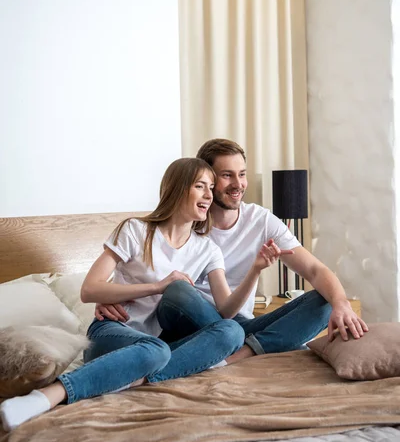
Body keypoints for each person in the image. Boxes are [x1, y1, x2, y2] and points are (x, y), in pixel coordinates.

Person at [1, 157, 277, 432]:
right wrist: (158, 286)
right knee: (155, 349)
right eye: (201, 186)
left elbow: (227, 311)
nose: (209, 195)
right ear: (179, 188)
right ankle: (47, 397)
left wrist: (255, 270)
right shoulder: (136, 230)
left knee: (231, 332)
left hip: (157, 344)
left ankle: (136, 378)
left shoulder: (207, 249)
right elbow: (89, 289)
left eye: (211, 187)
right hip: (113, 331)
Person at [96, 140, 368, 362]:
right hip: (183, 318)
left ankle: (241, 354)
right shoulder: (185, 222)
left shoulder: (261, 221)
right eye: (226, 176)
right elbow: (150, 266)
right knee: (181, 294)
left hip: (236, 325)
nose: (237, 184)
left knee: (324, 300)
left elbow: (314, 269)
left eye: (242, 174)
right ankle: (233, 347)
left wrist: (341, 303)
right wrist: (107, 293)